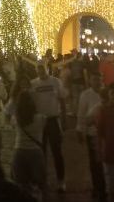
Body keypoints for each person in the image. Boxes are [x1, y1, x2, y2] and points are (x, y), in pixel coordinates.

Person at [31, 64, 67, 192]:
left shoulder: (56, 82)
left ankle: (61, 181)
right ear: (36, 70)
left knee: (57, 151)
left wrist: (64, 118)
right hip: (39, 122)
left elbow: (62, 100)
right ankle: (42, 180)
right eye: (38, 69)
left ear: (47, 69)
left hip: (53, 120)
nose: (40, 71)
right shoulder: (33, 84)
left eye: (42, 69)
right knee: (41, 153)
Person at [11, 90, 47, 199]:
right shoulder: (41, 118)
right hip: (35, 153)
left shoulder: (15, 118)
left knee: (21, 186)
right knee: (38, 186)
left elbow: (13, 127)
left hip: (19, 152)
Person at [77, 72, 105, 201]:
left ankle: (105, 186)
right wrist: (80, 130)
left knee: (105, 162)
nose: (97, 82)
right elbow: (81, 114)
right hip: (92, 133)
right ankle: (97, 187)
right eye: (94, 79)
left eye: (99, 79)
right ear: (90, 81)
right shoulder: (85, 95)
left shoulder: (106, 93)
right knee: (94, 163)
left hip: (105, 134)